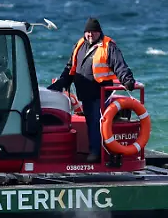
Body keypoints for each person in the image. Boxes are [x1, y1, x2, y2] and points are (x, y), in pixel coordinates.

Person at [47, 17, 136, 163]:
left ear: (99, 32)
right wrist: (62, 82)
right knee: (90, 121)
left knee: (95, 122)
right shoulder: (80, 44)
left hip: (100, 92)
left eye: (93, 32)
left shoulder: (108, 46)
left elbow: (120, 65)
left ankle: (96, 153)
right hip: (85, 93)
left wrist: (127, 80)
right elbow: (71, 67)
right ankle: (94, 150)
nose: (90, 35)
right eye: (88, 32)